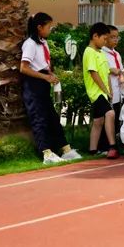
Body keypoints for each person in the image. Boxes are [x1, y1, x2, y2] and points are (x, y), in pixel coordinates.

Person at [20, 13, 81, 164]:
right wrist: (44, 77)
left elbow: (43, 64)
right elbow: (24, 68)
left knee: (52, 117)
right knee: (38, 118)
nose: (50, 29)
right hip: (33, 85)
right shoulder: (30, 44)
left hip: (43, 82)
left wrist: (50, 74)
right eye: (48, 26)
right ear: (39, 27)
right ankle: (46, 153)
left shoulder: (43, 42)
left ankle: (65, 149)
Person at [84, 22, 117, 158]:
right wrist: (106, 90)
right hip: (96, 93)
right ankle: (112, 146)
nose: (105, 42)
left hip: (103, 92)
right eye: (104, 38)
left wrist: (110, 89)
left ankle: (92, 150)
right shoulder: (89, 52)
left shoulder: (100, 53)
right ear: (95, 36)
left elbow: (106, 73)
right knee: (110, 113)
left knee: (98, 121)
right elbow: (94, 73)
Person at [102, 25, 124, 136]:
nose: (115, 40)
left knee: (116, 117)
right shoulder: (101, 53)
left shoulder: (117, 54)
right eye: (112, 37)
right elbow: (100, 69)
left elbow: (121, 70)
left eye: (117, 37)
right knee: (106, 118)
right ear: (105, 38)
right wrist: (111, 70)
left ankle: (115, 142)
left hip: (118, 90)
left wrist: (122, 75)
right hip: (108, 90)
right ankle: (104, 145)